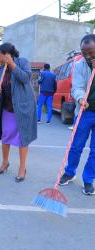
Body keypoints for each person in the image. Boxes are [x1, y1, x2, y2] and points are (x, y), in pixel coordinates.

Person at [0, 43, 37, 182]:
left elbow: (25, 78)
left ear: (7, 55)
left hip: (23, 107)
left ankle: (22, 168)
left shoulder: (22, 62)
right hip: (7, 107)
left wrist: (12, 64)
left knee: (22, 138)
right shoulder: (0, 69)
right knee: (6, 135)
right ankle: (5, 162)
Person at [59, 34, 95, 195]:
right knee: (76, 146)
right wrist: (80, 99)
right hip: (85, 111)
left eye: (91, 53)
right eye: (84, 52)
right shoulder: (80, 64)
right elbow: (77, 86)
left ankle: (88, 180)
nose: (87, 56)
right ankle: (69, 172)